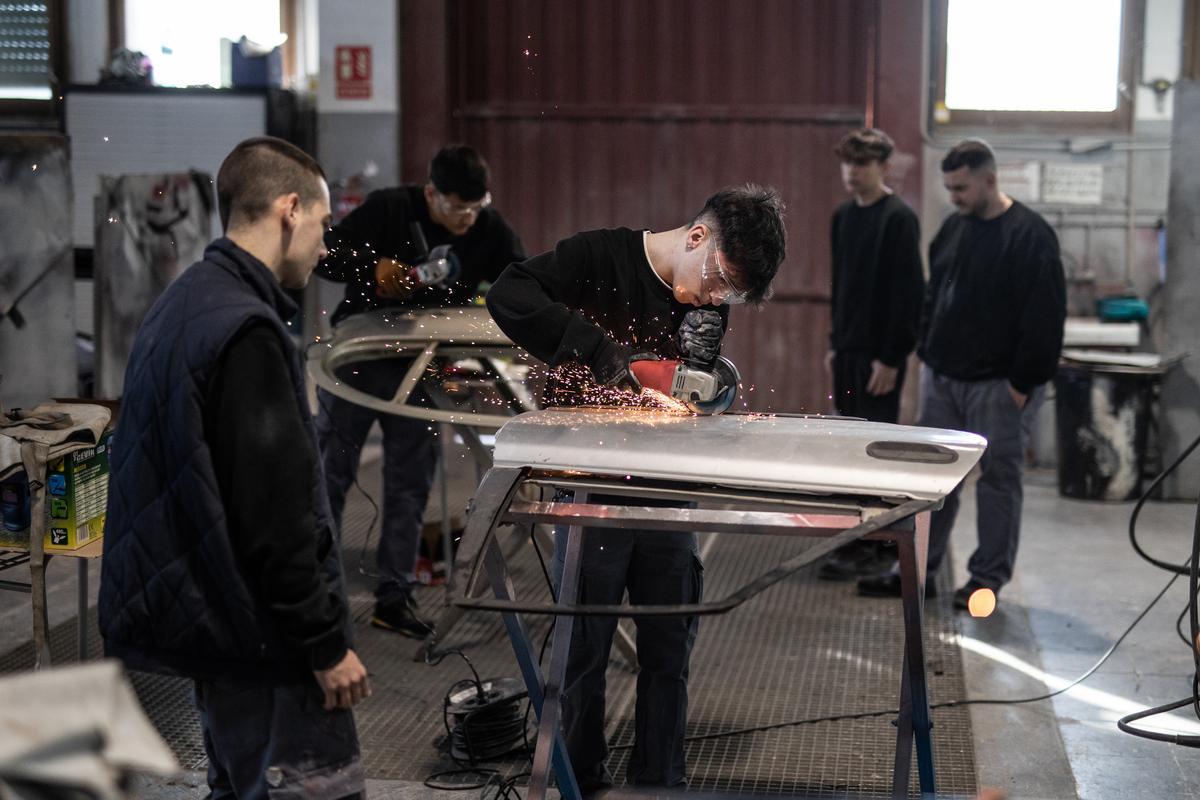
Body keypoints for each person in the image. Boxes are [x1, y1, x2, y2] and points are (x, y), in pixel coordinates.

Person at [486, 185, 786, 793]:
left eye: (729, 294)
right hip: (589, 484)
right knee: (583, 650)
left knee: (667, 647)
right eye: (719, 280)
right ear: (698, 237)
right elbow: (507, 294)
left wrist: (703, 374)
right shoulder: (595, 258)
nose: (716, 297)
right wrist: (598, 352)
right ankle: (578, 782)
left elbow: (692, 389)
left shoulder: (705, 303)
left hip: (667, 488)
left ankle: (658, 782)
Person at [99, 137, 370, 798]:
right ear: (289, 211)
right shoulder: (247, 333)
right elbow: (275, 518)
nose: (325, 246)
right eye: (322, 225)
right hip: (263, 645)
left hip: (216, 632)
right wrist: (324, 645)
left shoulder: (183, 304)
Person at [315, 144, 525, 636]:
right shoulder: (389, 208)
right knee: (330, 473)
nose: (467, 220)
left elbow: (524, 276)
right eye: (456, 209)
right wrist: (371, 268)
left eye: (476, 208)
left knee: (410, 482)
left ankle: (394, 597)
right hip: (359, 358)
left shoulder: (489, 229)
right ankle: (318, 598)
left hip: (422, 363)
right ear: (430, 194)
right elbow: (326, 255)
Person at [858, 138, 1066, 610]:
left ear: (990, 180)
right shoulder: (954, 229)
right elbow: (934, 297)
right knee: (932, 483)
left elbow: (1045, 318)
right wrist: (927, 353)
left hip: (999, 386)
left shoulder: (1030, 237)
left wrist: (1022, 382)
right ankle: (917, 570)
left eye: (962, 188)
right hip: (944, 378)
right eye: (949, 188)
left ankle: (985, 581)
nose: (954, 197)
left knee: (997, 482)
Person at [818, 128, 924, 582]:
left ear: (883, 167)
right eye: (848, 163)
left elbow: (908, 294)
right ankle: (855, 540)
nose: (852, 172)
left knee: (876, 451)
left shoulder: (898, 218)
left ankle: (881, 546)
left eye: (862, 164)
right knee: (847, 448)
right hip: (848, 351)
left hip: (880, 357)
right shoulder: (843, 218)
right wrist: (834, 344)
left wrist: (892, 356)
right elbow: (841, 288)